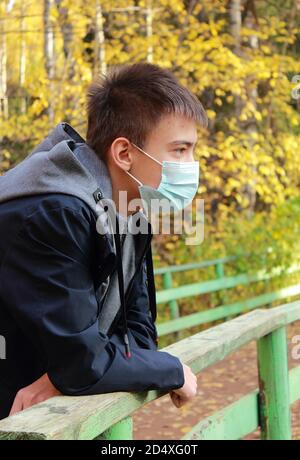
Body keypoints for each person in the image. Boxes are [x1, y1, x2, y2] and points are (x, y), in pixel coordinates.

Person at [0, 62, 208, 419]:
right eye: (179, 150)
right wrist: (170, 369)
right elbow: (84, 363)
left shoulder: (130, 208)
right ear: (124, 153)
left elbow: (137, 333)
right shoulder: (54, 212)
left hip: (43, 407)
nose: (191, 164)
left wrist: (68, 373)